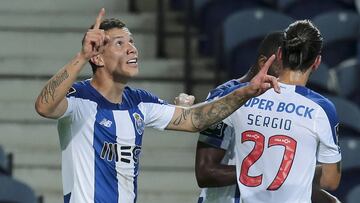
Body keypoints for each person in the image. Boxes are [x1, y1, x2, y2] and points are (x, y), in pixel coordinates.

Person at [34, 8, 280, 203]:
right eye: (120, 43)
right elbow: (44, 106)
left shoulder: (140, 102)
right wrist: (81, 56)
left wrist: (246, 92)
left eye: (132, 41)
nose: (132, 48)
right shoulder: (81, 97)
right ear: (97, 56)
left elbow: (195, 120)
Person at [177, 31, 341, 203]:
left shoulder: (289, 105)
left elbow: (283, 176)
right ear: (264, 62)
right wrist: (264, 170)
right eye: (283, 68)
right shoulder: (224, 99)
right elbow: (205, 171)